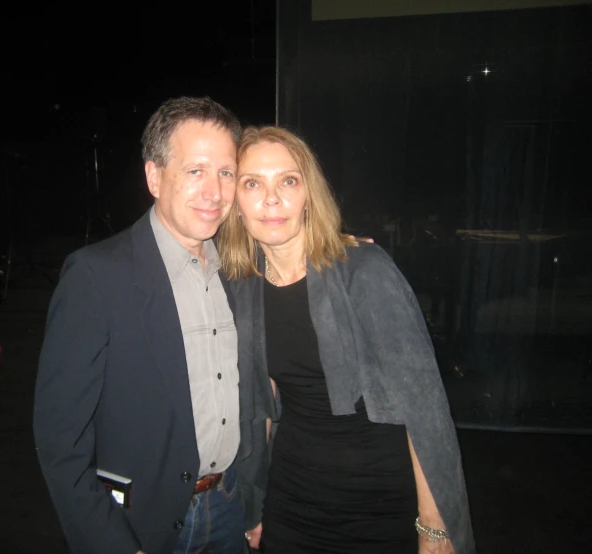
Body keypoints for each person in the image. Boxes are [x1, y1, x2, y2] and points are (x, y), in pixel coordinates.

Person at [218, 126, 475, 553]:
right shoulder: (244, 289)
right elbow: (262, 410)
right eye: (252, 183)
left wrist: (435, 527)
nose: (271, 198)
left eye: (288, 180)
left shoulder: (364, 271)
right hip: (291, 502)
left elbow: (425, 410)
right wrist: (254, 505)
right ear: (236, 204)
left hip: (375, 503)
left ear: (309, 194)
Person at [33, 97, 247, 554]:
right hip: (143, 524)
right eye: (196, 170)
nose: (215, 191)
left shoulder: (238, 271)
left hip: (232, 505)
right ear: (154, 177)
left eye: (226, 172)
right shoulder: (96, 276)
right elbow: (60, 440)